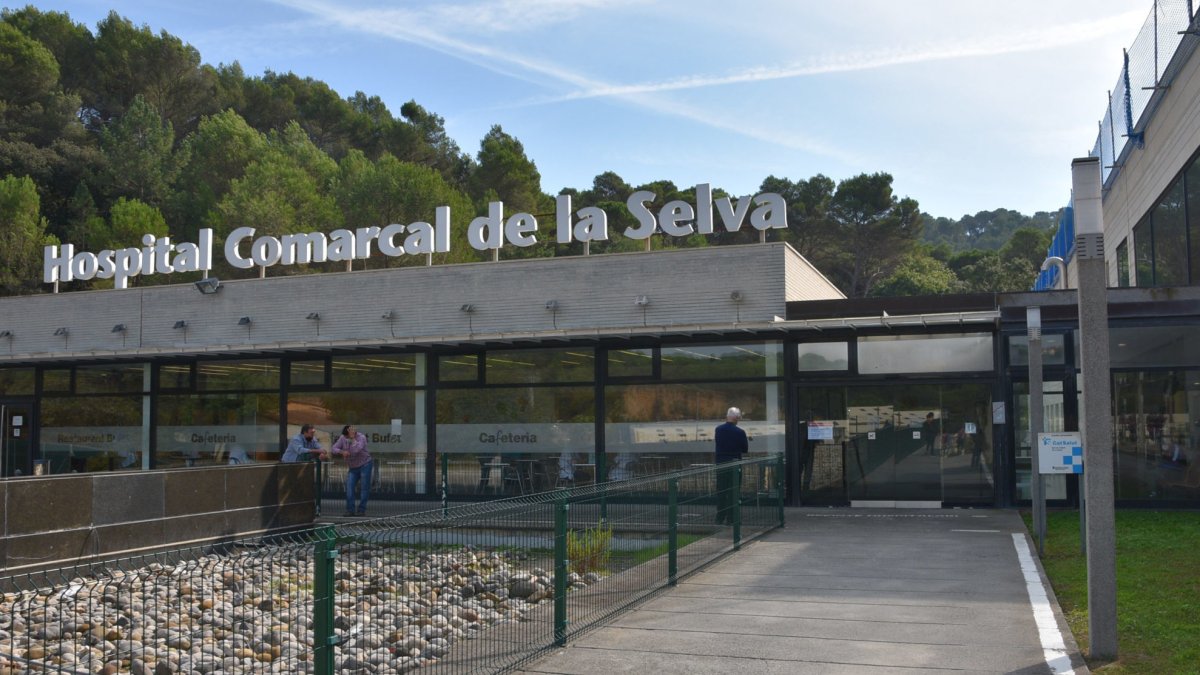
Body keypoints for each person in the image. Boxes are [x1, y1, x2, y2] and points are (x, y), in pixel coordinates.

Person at [714, 407, 748, 525]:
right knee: (733, 492)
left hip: (720, 464)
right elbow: (745, 449)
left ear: (727, 416)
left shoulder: (718, 430)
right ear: (737, 418)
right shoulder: (740, 432)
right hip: (734, 464)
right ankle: (731, 518)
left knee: (721, 491)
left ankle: (720, 517)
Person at [330, 424, 372, 516]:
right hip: (353, 467)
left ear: (352, 433)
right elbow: (333, 448)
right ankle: (350, 510)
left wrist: (353, 439)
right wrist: (342, 452)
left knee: (364, 488)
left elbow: (357, 449)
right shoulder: (343, 438)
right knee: (349, 487)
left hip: (365, 464)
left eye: (347, 436)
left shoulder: (361, 437)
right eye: (345, 436)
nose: (345, 438)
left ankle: (361, 510)